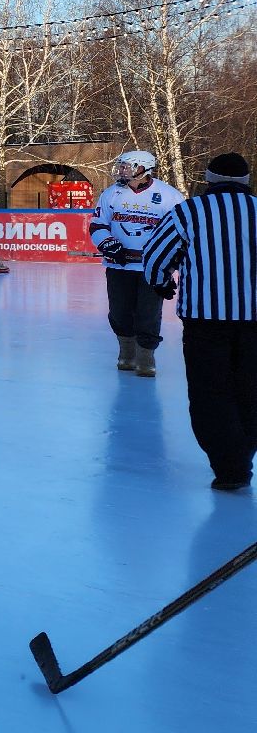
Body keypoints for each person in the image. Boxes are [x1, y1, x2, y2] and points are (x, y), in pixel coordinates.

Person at [141, 152, 257, 491]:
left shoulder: (189, 212)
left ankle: (230, 466)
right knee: (251, 390)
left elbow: (155, 257)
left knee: (211, 394)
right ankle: (241, 457)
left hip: (205, 321)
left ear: (209, 180)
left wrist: (162, 283)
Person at [89, 150, 182, 376]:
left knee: (148, 313)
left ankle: (145, 357)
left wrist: (168, 260)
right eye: (121, 166)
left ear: (144, 169)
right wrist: (108, 245)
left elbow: (178, 231)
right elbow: (98, 224)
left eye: (128, 166)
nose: (122, 170)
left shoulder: (169, 196)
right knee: (119, 312)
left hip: (153, 268)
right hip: (118, 266)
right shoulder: (111, 194)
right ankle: (126, 353)